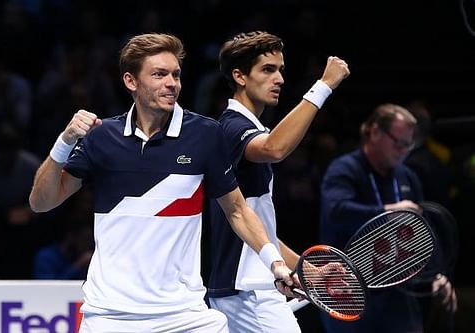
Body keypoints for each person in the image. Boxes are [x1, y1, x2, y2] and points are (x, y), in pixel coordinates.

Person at [28, 32, 298, 333]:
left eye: (176, 75)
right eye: (159, 74)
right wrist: (64, 143)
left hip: (185, 317)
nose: (172, 83)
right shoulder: (102, 137)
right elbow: (41, 202)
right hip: (108, 316)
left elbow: (237, 211)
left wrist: (275, 263)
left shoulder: (206, 135)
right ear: (131, 82)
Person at [205, 31, 350, 333]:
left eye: (281, 70)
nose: (280, 79)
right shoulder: (232, 128)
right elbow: (275, 148)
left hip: (252, 288)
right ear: (239, 76)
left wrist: (309, 272)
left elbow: (261, 231)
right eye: (268, 70)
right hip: (247, 291)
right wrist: (323, 86)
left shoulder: (246, 126)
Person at [319, 103, 457, 333]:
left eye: (408, 145)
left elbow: (424, 230)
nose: (404, 151)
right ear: (374, 132)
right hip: (347, 290)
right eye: (399, 143)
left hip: (396, 289)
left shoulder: (406, 176)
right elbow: (337, 212)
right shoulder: (344, 170)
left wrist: (437, 274)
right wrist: (387, 213)